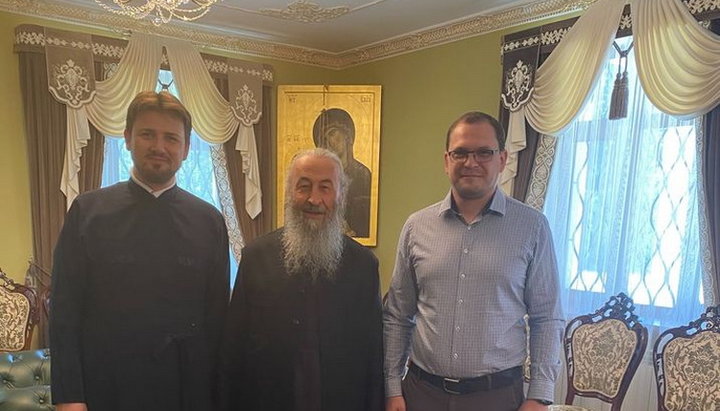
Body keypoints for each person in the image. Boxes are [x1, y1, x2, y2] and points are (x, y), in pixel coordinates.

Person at [50, 91, 230, 411]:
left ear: (186, 148)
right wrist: (69, 397)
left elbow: (217, 322)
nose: (159, 146)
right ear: (128, 138)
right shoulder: (88, 212)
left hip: (186, 389)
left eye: (171, 138)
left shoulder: (209, 221)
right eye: (147, 134)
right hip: (107, 386)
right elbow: (65, 312)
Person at [383, 112, 564, 411]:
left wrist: (539, 395)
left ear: (502, 159)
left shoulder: (532, 227)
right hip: (421, 394)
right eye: (461, 153)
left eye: (484, 152)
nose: (471, 162)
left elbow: (546, 317)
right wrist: (392, 387)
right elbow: (398, 315)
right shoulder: (416, 227)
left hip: (497, 397)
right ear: (446, 161)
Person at [219, 148, 383, 411]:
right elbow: (233, 349)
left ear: (340, 195)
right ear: (289, 193)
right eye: (303, 187)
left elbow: (373, 356)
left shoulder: (363, 266)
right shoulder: (256, 258)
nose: (314, 199)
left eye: (325, 188)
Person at [312, 108, 371, 237]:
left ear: (347, 136)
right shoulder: (320, 178)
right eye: (324, 138)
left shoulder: (363, 175)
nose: (328, 141)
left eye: (332, 133)